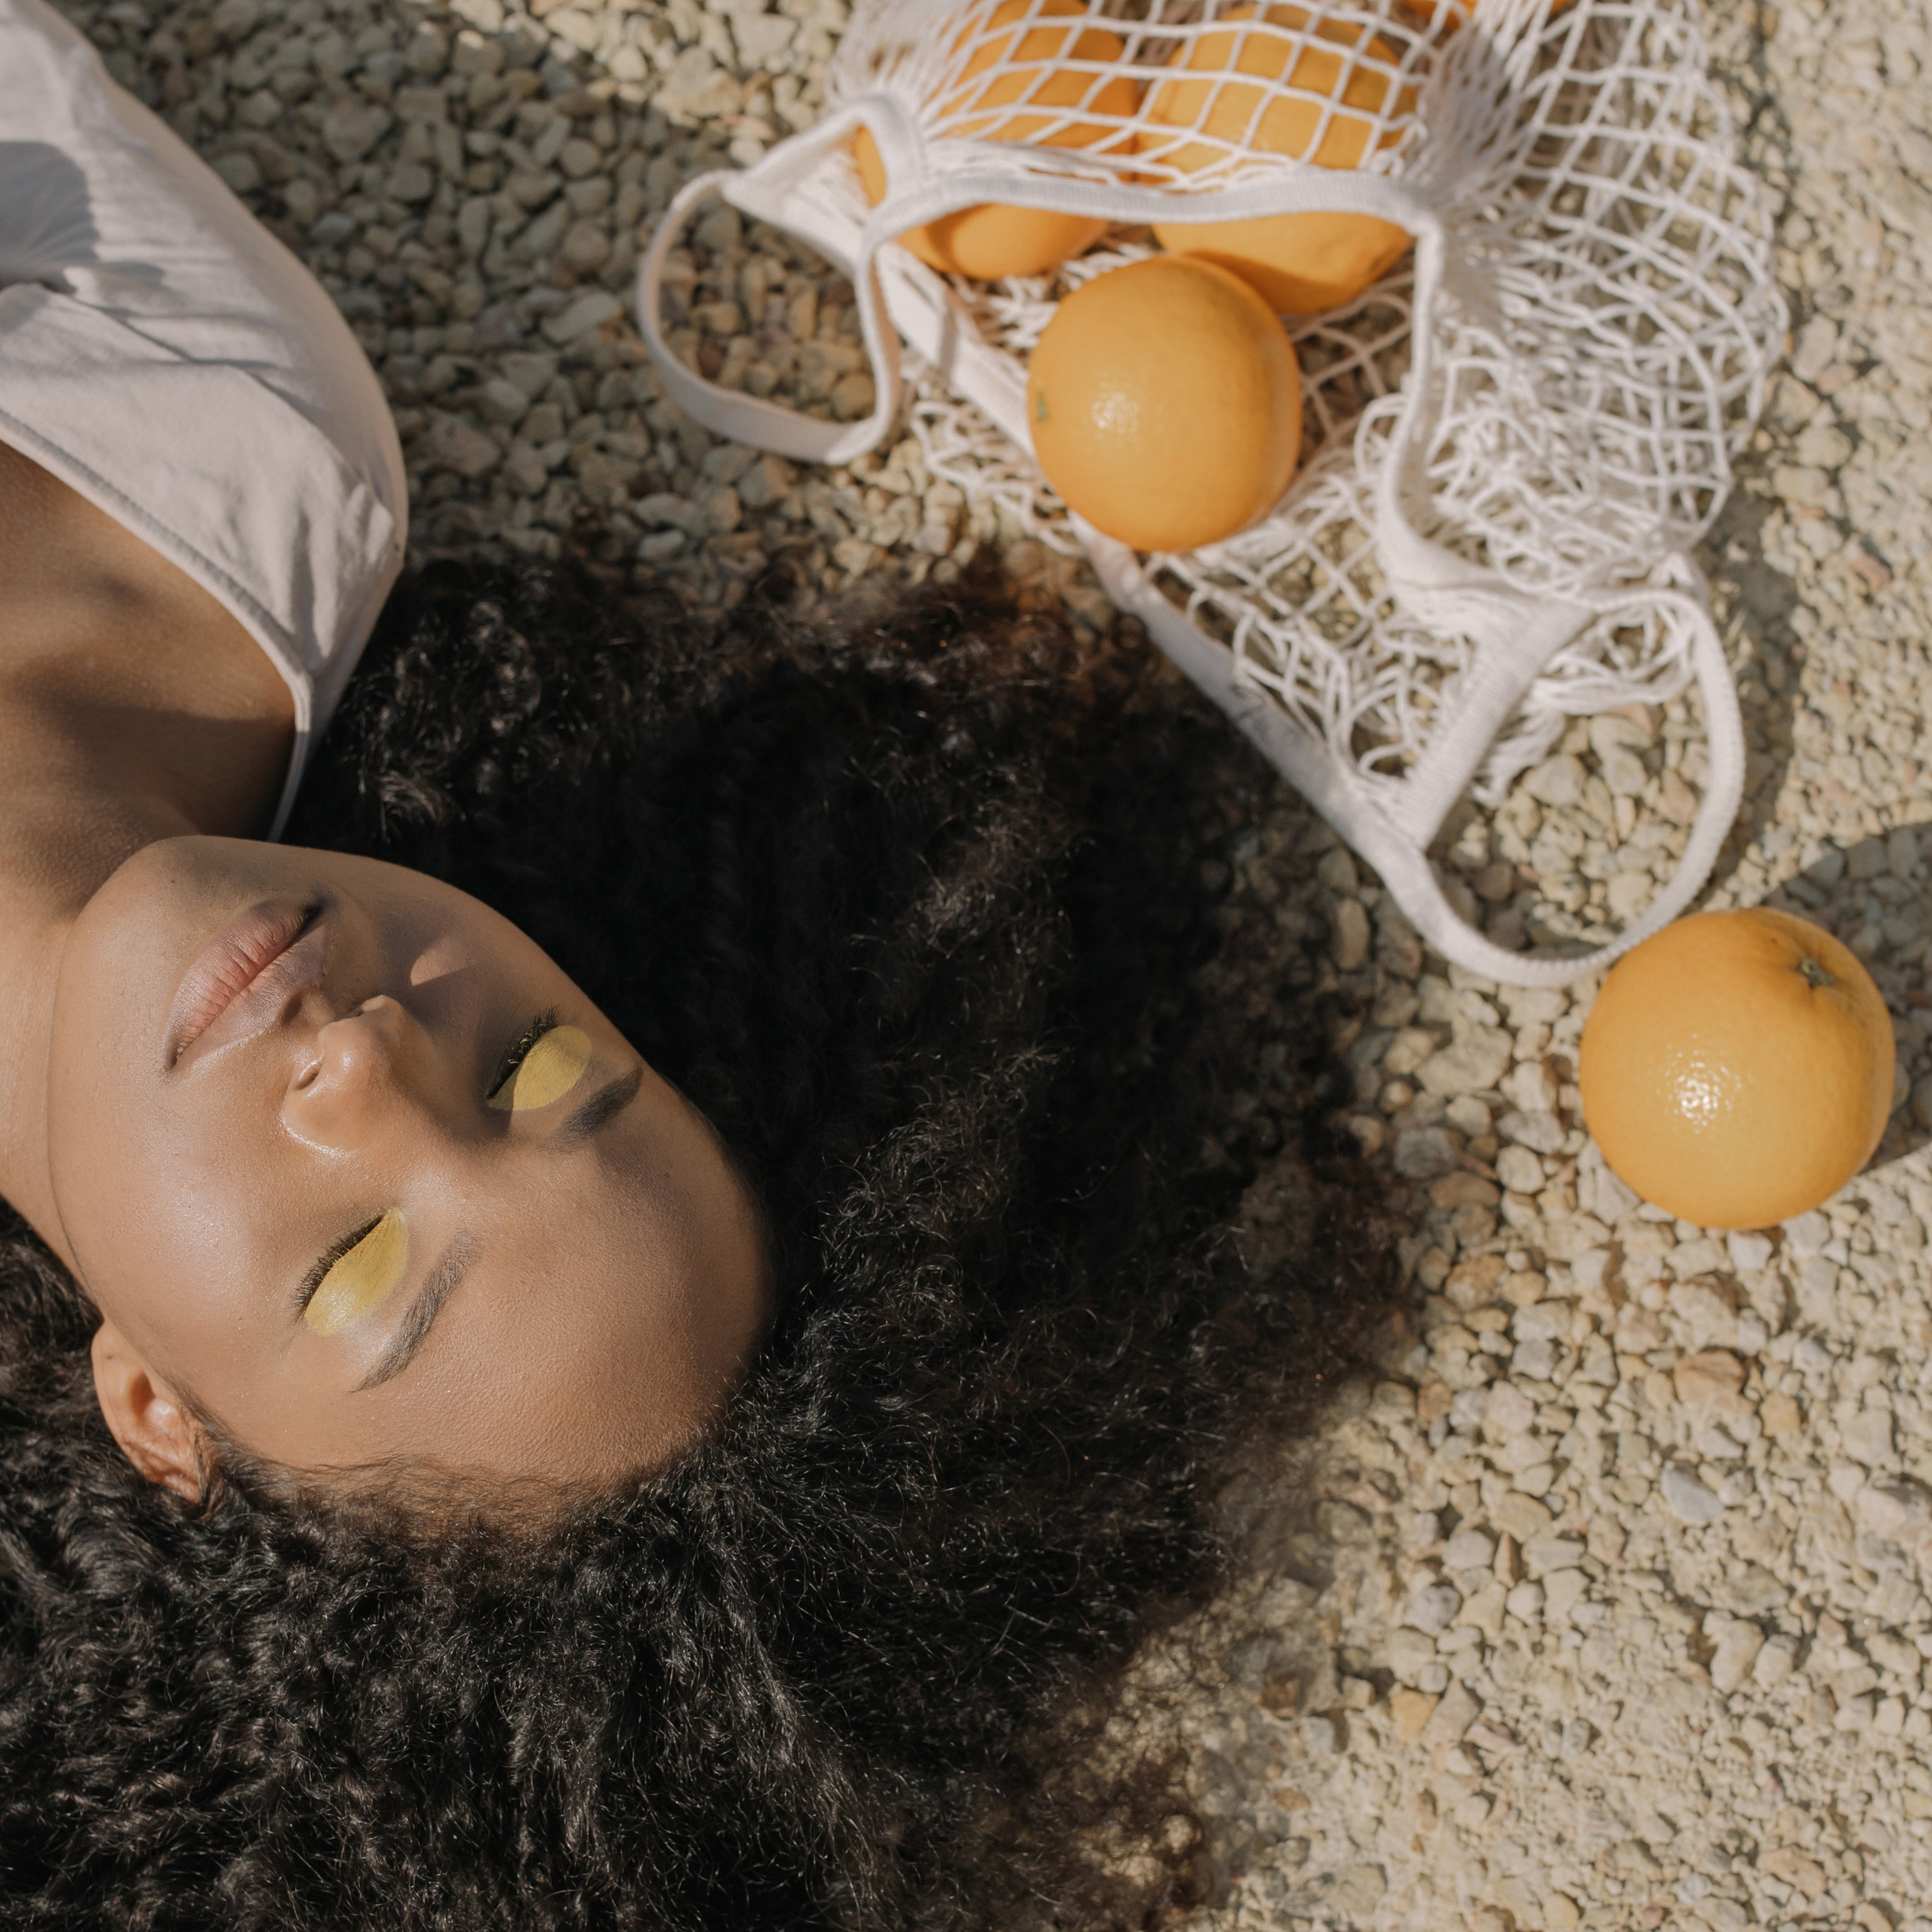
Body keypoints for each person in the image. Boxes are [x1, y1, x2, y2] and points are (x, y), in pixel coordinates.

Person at [0, 0, 1392, 1923]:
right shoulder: (242, 452)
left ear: (158, 1408)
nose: (369, 1063)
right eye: (536, 1071)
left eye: (362, 1267)